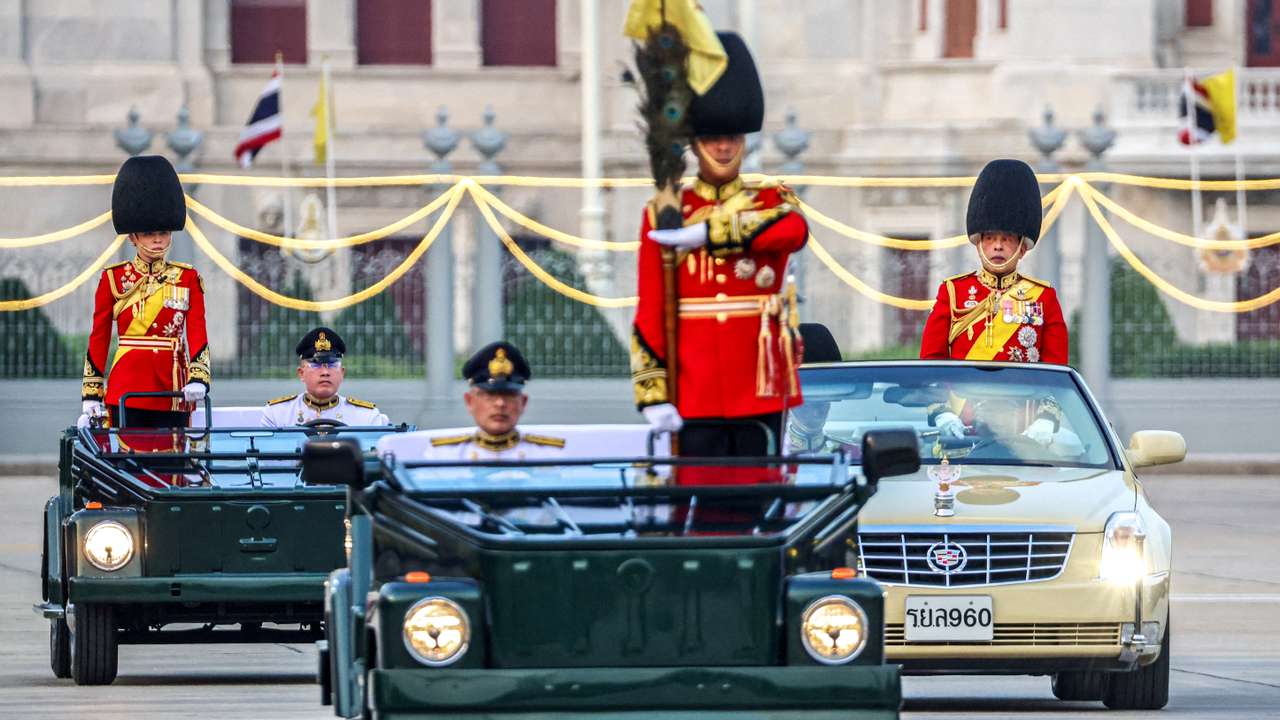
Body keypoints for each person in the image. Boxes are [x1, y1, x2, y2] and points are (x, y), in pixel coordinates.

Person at [630, 32, 807, 466]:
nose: (723, 146)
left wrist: (712, 233)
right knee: (696, 508)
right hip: (694, 388)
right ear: (693, 143)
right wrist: (652, 392)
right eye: (711, 137)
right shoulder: (665, 212)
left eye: (731, 136)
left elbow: (794, 231)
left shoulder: (771, 199)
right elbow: (651, 309)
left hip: (759, 382)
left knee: (761, 499)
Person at [79, 155, 209, 430]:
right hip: (127, 386)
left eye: (163, 231)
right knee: (128, 465)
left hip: (173, 388)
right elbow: (99, 337)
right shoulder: (112, 279)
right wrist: (91, 392)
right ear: (133, 237)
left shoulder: (188, 278)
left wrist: (199, 377)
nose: (158, 239)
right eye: (149, 233)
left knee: (174, 466)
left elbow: (197, 332)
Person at [919, 158, 1068, 365]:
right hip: (964, 396)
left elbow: (1055, 370)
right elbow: (931, 362)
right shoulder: (953, 293)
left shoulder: (1044, 298)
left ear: (1022, 248)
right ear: (979, 244)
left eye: (1006, 238)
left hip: (1022, 397)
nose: (998, 246)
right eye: (990, 238)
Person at [422, 342, 565, 461]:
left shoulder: (548, 455)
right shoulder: (443, 456)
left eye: (509, 395)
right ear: (469, 401)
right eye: (489, 395)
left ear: (523, 402)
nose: (500, 404)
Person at [261, 327, 390, 427]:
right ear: (301, 373)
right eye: (316, 365)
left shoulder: (366, 417)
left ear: (342, 373)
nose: (325, 372)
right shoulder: (277, 414)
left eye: (332, 365)